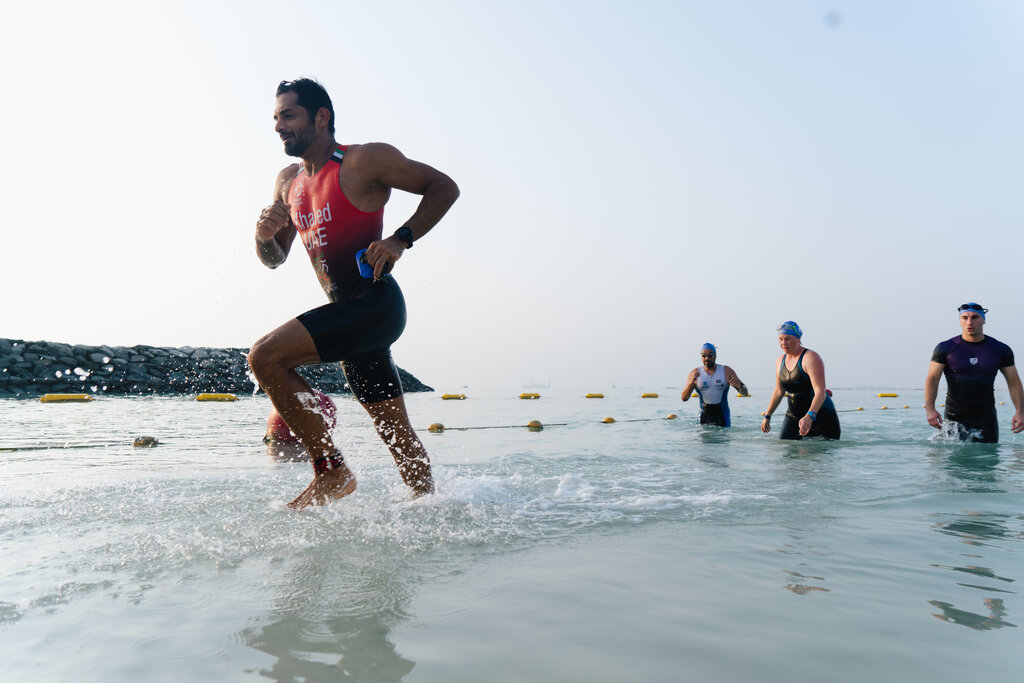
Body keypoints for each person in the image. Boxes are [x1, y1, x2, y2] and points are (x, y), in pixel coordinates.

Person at [249, 78, 459, 508]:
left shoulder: (363, 160)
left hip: (376, 305)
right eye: (275, 117)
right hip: (347, 316)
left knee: (264, 357)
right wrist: (264, 236)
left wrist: (400, 239)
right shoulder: (288, 182)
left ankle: (332, 472)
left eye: (288, 115)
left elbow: (444, 187)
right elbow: (274, 258)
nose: (278, 126)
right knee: (397, 436)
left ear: (321, 117)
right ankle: (432, 510)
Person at [924, 303, 1024, 443]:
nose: (970, 322)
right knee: (954, 463)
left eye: (975, 317)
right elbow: (932, 379)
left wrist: (1020, 411)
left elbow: (1013, 382)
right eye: (964, 318)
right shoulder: (946, 348)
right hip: (954, 417)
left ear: (984, 320)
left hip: (986, 419)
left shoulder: (1000, 349)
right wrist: (930, 410)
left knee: (987, 461)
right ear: (960, 321)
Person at [761, 321, 840, 440]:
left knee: (812, 456)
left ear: (798, 339)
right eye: (780, 339)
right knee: (786, 454)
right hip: (793, 416)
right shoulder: (779, 361)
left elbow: (820, 392)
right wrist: (767, 415)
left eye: (788, 339)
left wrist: (810, 415)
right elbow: (778, 391)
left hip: (820, 415)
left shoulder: (810, 358)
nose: (783, 343)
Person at [680, 343, 748, 427]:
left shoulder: (726, 371)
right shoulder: (695, 373)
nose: (707, 358)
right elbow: (684, 398)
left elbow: (744, 393)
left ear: (715, 356)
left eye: (710, 355)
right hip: (703, 416)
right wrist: (691, 382)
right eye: (704, 355)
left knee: (722, 438)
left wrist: (741, 385)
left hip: (723, 416)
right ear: (701, 357)